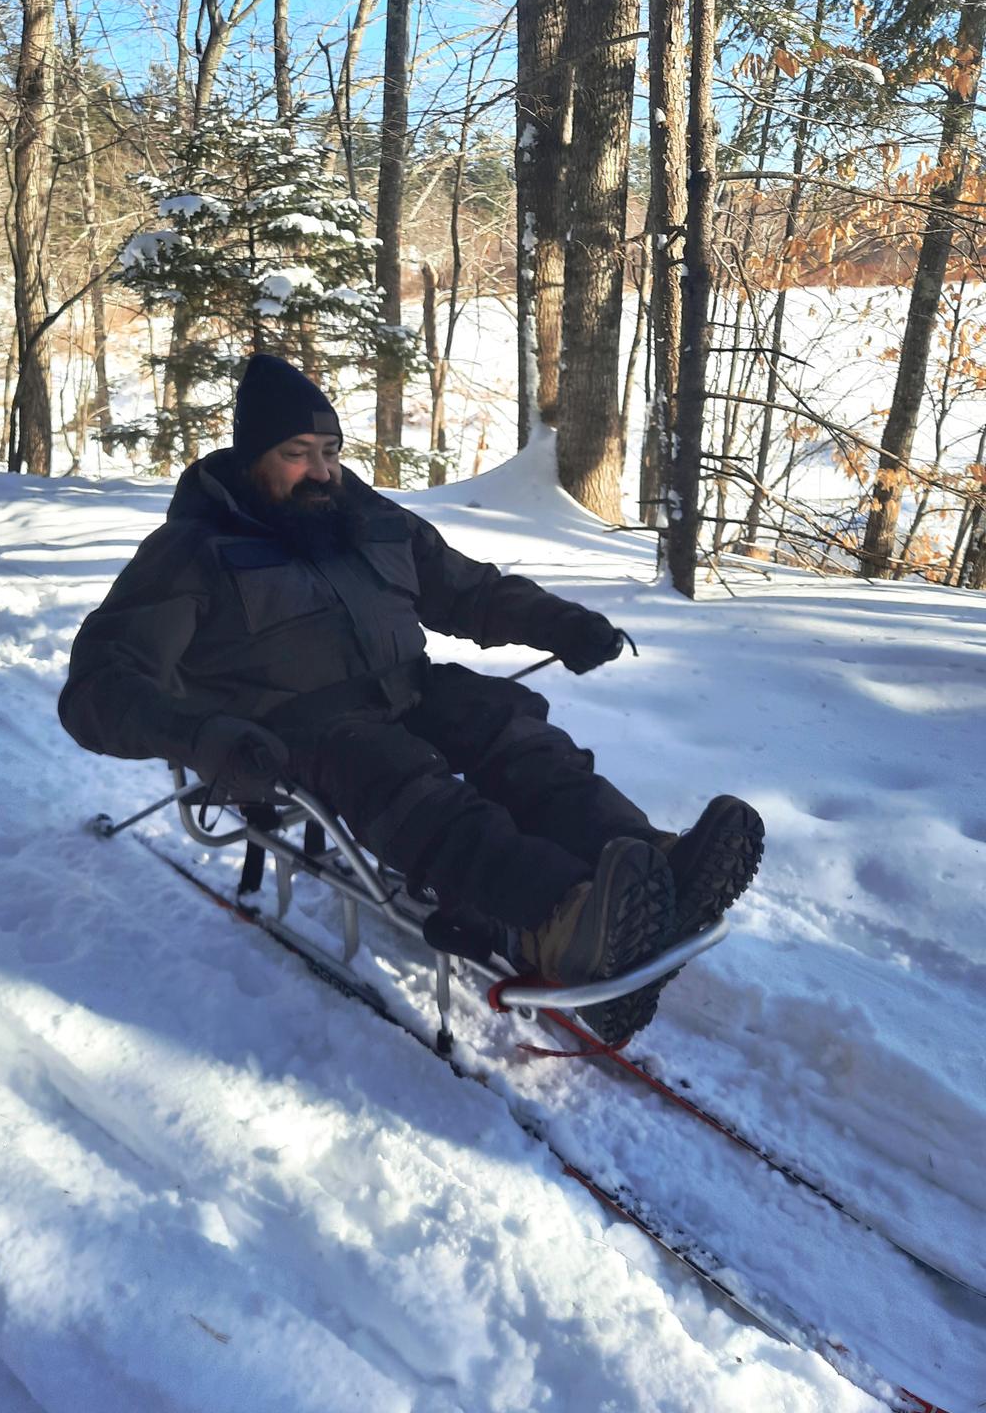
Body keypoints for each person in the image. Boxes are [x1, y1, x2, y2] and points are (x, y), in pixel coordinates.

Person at [59, 354, 764, 1043]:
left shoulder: (358, 513)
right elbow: (98, 687)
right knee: (407, 784)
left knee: (511, 729)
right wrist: (204, 738)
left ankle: (646, 867)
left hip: (408, 687)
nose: (324, 470)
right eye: (299, 453)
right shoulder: (193, 550)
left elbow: (465, 589)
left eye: (331, 449)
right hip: (294, 731)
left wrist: (561, 623)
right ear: (252, 457)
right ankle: (559, 919)